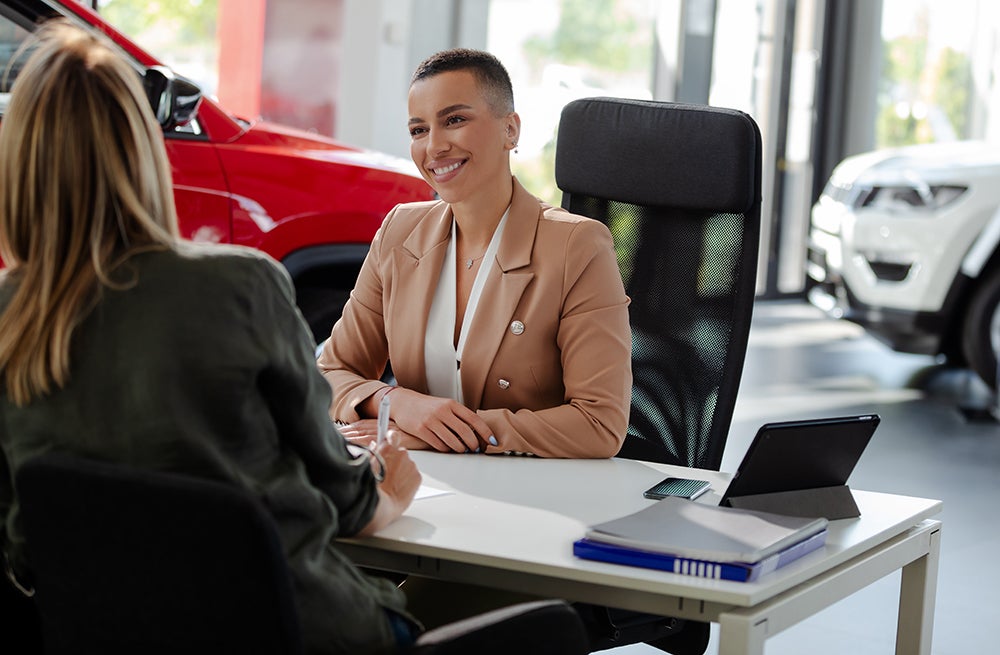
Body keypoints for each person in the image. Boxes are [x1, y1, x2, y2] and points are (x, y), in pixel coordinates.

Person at [0, 21, 422, 654]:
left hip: (112, 640)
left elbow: (24, 544)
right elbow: (347, 502)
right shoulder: (240, 287)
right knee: (520, 616)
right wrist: (388, 485)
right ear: (144, 153)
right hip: (304, 634)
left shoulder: (9, 319)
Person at [318, 48, 632, 459]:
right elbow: (330, 372)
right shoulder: (400, 231)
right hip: (425, 481)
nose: (434, 147)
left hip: (530, 493)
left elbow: (599, 424)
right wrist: (397, 404)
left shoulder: (578, 246)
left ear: (510, 130)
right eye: (418, 130)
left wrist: (452, 434)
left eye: (455, 120)